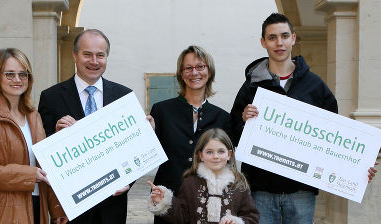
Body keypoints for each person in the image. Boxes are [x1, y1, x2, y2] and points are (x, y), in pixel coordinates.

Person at [230, 13, 377, 224]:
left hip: (301, 190)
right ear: (263, 42)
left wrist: (358, 168)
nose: (279, 42)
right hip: (260, 189)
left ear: (294, 38)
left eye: (284, 35)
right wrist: (244, 121)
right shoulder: (251, 87)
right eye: (272, 37)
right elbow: (234, 136)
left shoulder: (315, 86)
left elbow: (333, 139)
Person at [38, 29, 133, 224]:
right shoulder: (51, 97)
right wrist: (56, 136)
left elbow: (133, 147)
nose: (94, 61)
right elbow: (41, 149)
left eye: (100, 55)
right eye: (87, 54)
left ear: (107, 57)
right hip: (72, 208)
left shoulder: (124, 97)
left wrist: (128, 181)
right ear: (75, 55)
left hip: (112, 206)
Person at [0, 48, 66, 224]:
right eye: (10, 74)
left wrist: (56, 208)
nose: (17, 80)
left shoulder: (34, 117)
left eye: (23, 74)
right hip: (3, 211)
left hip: (37, 206)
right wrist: (28, 175)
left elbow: (45, 164)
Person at [150, 45, 231, 223]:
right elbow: (149, 152)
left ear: (209, 72)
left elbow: (227, 164)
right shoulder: (161, 111)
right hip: (168, 201)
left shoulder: (223, 117)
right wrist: (147, 133)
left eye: (200, 67)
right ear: (181, 73)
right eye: (188, 68)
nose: (194, 73)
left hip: (208, 203)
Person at [147, 128, 259, 224]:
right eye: (209, 152)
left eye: (221, 152)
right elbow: (182, 216)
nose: (216, 156)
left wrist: (236, 221)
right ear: (201, 155)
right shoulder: (190, 183)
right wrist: (163, 201)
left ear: (229, 154)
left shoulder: (238, 184)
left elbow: (251, 217)